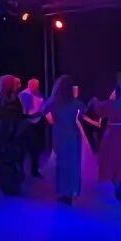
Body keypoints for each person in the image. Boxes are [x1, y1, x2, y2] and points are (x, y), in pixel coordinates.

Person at [39, 75, 87, 205]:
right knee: (73, 164)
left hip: (59, 133)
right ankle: (71, 191)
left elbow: (44, 113)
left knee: (61, 163)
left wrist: (53, 121)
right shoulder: (76, 103)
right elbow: (83, 114)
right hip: (72, 134)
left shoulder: (52, 102)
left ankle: (61, 192)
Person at [0, 75, 29, 196]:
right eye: (14, 83)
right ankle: (9, 185)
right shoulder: (10, 101)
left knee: (6, 160)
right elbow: (15, 117)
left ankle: (8, 184)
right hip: (9, 135)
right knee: (9, 160)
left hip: (5, 135)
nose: (17, 85)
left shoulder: (0, 100)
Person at [18, 78, 45, 178]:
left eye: (37, 85)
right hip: (27, 124)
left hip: (38, 123)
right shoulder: (23, 95)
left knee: (36, 148)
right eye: (35, 85)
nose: (36, 87)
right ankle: (21, 171)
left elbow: (44, 105)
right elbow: (24, 111)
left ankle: (34, 170)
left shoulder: (39, 93)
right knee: (24, 148)